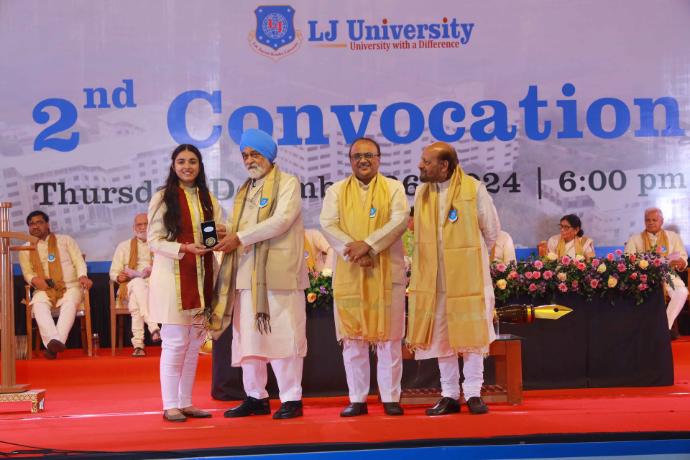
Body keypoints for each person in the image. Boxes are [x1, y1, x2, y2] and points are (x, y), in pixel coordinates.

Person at [213, 128, 308, 420]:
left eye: (254, 154)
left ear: (268, 155)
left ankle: (291, 398)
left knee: (284, 336)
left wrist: (239, 237)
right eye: (245, 155)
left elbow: (281, 221)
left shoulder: (288, 183)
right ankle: (256, 397)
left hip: (279, 274)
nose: (249, 160)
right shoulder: (245, 190)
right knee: (249, 340)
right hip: (246, 274)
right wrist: (225, 232)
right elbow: (240, 228)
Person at [406, 141, 499, 415]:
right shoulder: (422, 192)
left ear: (444, 165)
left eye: (426, 161)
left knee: (471, 334)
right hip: (434, 280)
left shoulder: (474, 189)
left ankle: (473, 393)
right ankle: (449, 394)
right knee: (441, 336)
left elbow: (491, 232)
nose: (420, 165)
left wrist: (468, 260)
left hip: (468, 280)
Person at [320, 137, 409, 417]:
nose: (363, 160)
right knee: (353, 338)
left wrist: (369, 245)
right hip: (350, 271)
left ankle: (391, 397)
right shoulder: (336, 191)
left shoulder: (394, 188)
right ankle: (357, 398)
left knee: (389, 338)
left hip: (386, 272)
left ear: (379, 159)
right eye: (357, 156)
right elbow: (327, 224)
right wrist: (357, 251)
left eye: (369, 155)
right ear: (350, 161)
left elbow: (400, 220)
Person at [147, 144, 222, 422]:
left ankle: (186, 402)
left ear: (200, 166)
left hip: (202, 278)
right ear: (173, 165)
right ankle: (170, 405)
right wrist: (184, 248)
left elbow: (216, 231)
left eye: (192, 161)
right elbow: (153, 240)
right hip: (173, 279)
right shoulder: (162, 197)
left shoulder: (207, 197)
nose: (187, 166)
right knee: (176, 343)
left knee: (193, 345)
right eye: (181, 161)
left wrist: (219, 235)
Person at [18, 210, 93, 359]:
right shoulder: (26, 248)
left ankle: (52, 346)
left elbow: (79, 261)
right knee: (38, 304)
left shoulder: (65, 240)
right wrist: (33, 280)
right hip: (44, 288)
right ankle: (55, 343)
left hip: (70, 286)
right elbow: (27, 272)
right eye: (31, 224)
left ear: (47, 224)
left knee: (69, 303)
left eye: (39, 222)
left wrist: (83, 276)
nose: (35, 226)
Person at [624, 207, 688, 333]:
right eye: (647, 220)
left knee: (682, 292)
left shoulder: (673, 237)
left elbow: (683, 257)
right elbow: (627, 260)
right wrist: (642, 264)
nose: (651, 223)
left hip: (668, 274)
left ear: (661, 221)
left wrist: (681, 263)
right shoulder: (635, 239)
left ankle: (664, 328)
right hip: (644, 277)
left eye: (654, 220)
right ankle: (650, 330)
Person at [109, 213, 160, 357]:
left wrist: (154, 270)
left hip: (155, 288)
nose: (143, 227)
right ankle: (153, 326)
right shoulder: (123, 246)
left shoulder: (159, 245)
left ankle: (138, 345)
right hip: (128, 286)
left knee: (135, 303)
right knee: (137, 283)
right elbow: (113, 272)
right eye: (139, 225)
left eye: (146, 224)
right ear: (134, 228)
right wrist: (119, 277)